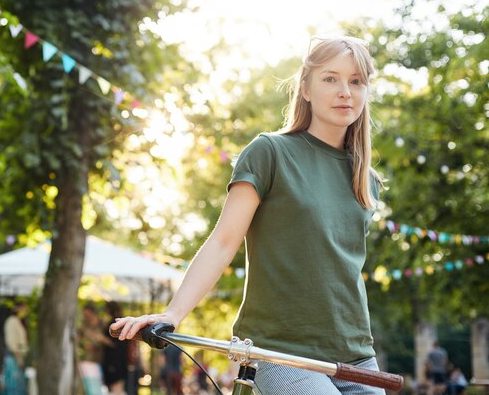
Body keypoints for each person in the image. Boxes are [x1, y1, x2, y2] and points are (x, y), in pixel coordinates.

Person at [111, 35, 386, 395]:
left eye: (356, 81)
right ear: (305, 87)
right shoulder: (270, 152)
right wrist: (172, 314)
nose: (345, 91)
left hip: (355, 355)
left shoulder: (366, 179)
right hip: (277, 349)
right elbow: (224, 241)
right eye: (330, 78)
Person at [101, 301, 129, 395]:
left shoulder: (115, 324)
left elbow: (114, 343)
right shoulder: (122, 322)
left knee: (116, 389)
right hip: (119, 361)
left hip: (115, 362)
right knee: (117, 388)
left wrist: (101, 338)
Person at [2, 301, 29, 395]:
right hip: (14, 358)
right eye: (24, 309)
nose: (25, 312)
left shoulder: (18, 322)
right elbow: (12, 343)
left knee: (19, 387)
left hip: (18, 358)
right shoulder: (12, 321)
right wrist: (18, 358)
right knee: (13, 387)